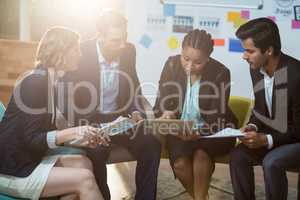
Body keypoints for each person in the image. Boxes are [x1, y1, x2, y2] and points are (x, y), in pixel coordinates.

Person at [63, 10, 161, 200]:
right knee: (96, 152)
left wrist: (136, 110)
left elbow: (134, 85)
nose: (122, 45)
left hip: (121, 119)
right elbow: (69, 98)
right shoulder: (81, 52)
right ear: (100, 36)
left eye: (124, 38)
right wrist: (85, 129)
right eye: (115, 40)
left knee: (151, 144)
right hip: (91, 122)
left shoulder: (128, 50)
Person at [0, 27, 106, 200]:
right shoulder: (34, 83)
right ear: (61, 52)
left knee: (83, 163)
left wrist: (84, 139)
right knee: (84, 179)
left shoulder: (50, 83)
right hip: (11, 168)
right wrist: (74, 132)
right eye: (76, 49)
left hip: (27, 158)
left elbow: (50, 131)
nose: (80, 54)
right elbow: (32, 139)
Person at [153, 29, 237, 200]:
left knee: (201, 156)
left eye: (198, 62)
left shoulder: (221, 72)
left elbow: (217, 117)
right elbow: (159, 104)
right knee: (180, 164)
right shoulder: (171, 64)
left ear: (208, 58)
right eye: (186, 59)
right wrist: (166, 113)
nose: (190, 67)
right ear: (181, 51)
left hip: (213, 130)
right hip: (180, 131)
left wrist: (197, 133)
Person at [229, 17, 300, 200]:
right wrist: (252, 127)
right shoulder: (256, 68)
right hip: (276, 136)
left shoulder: (296, 75)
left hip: (296, 139)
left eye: (249, 51)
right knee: (238, 156)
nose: (244, 56)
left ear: (268, 50)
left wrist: (265, 139)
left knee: (271, 162)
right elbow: (261, 109)